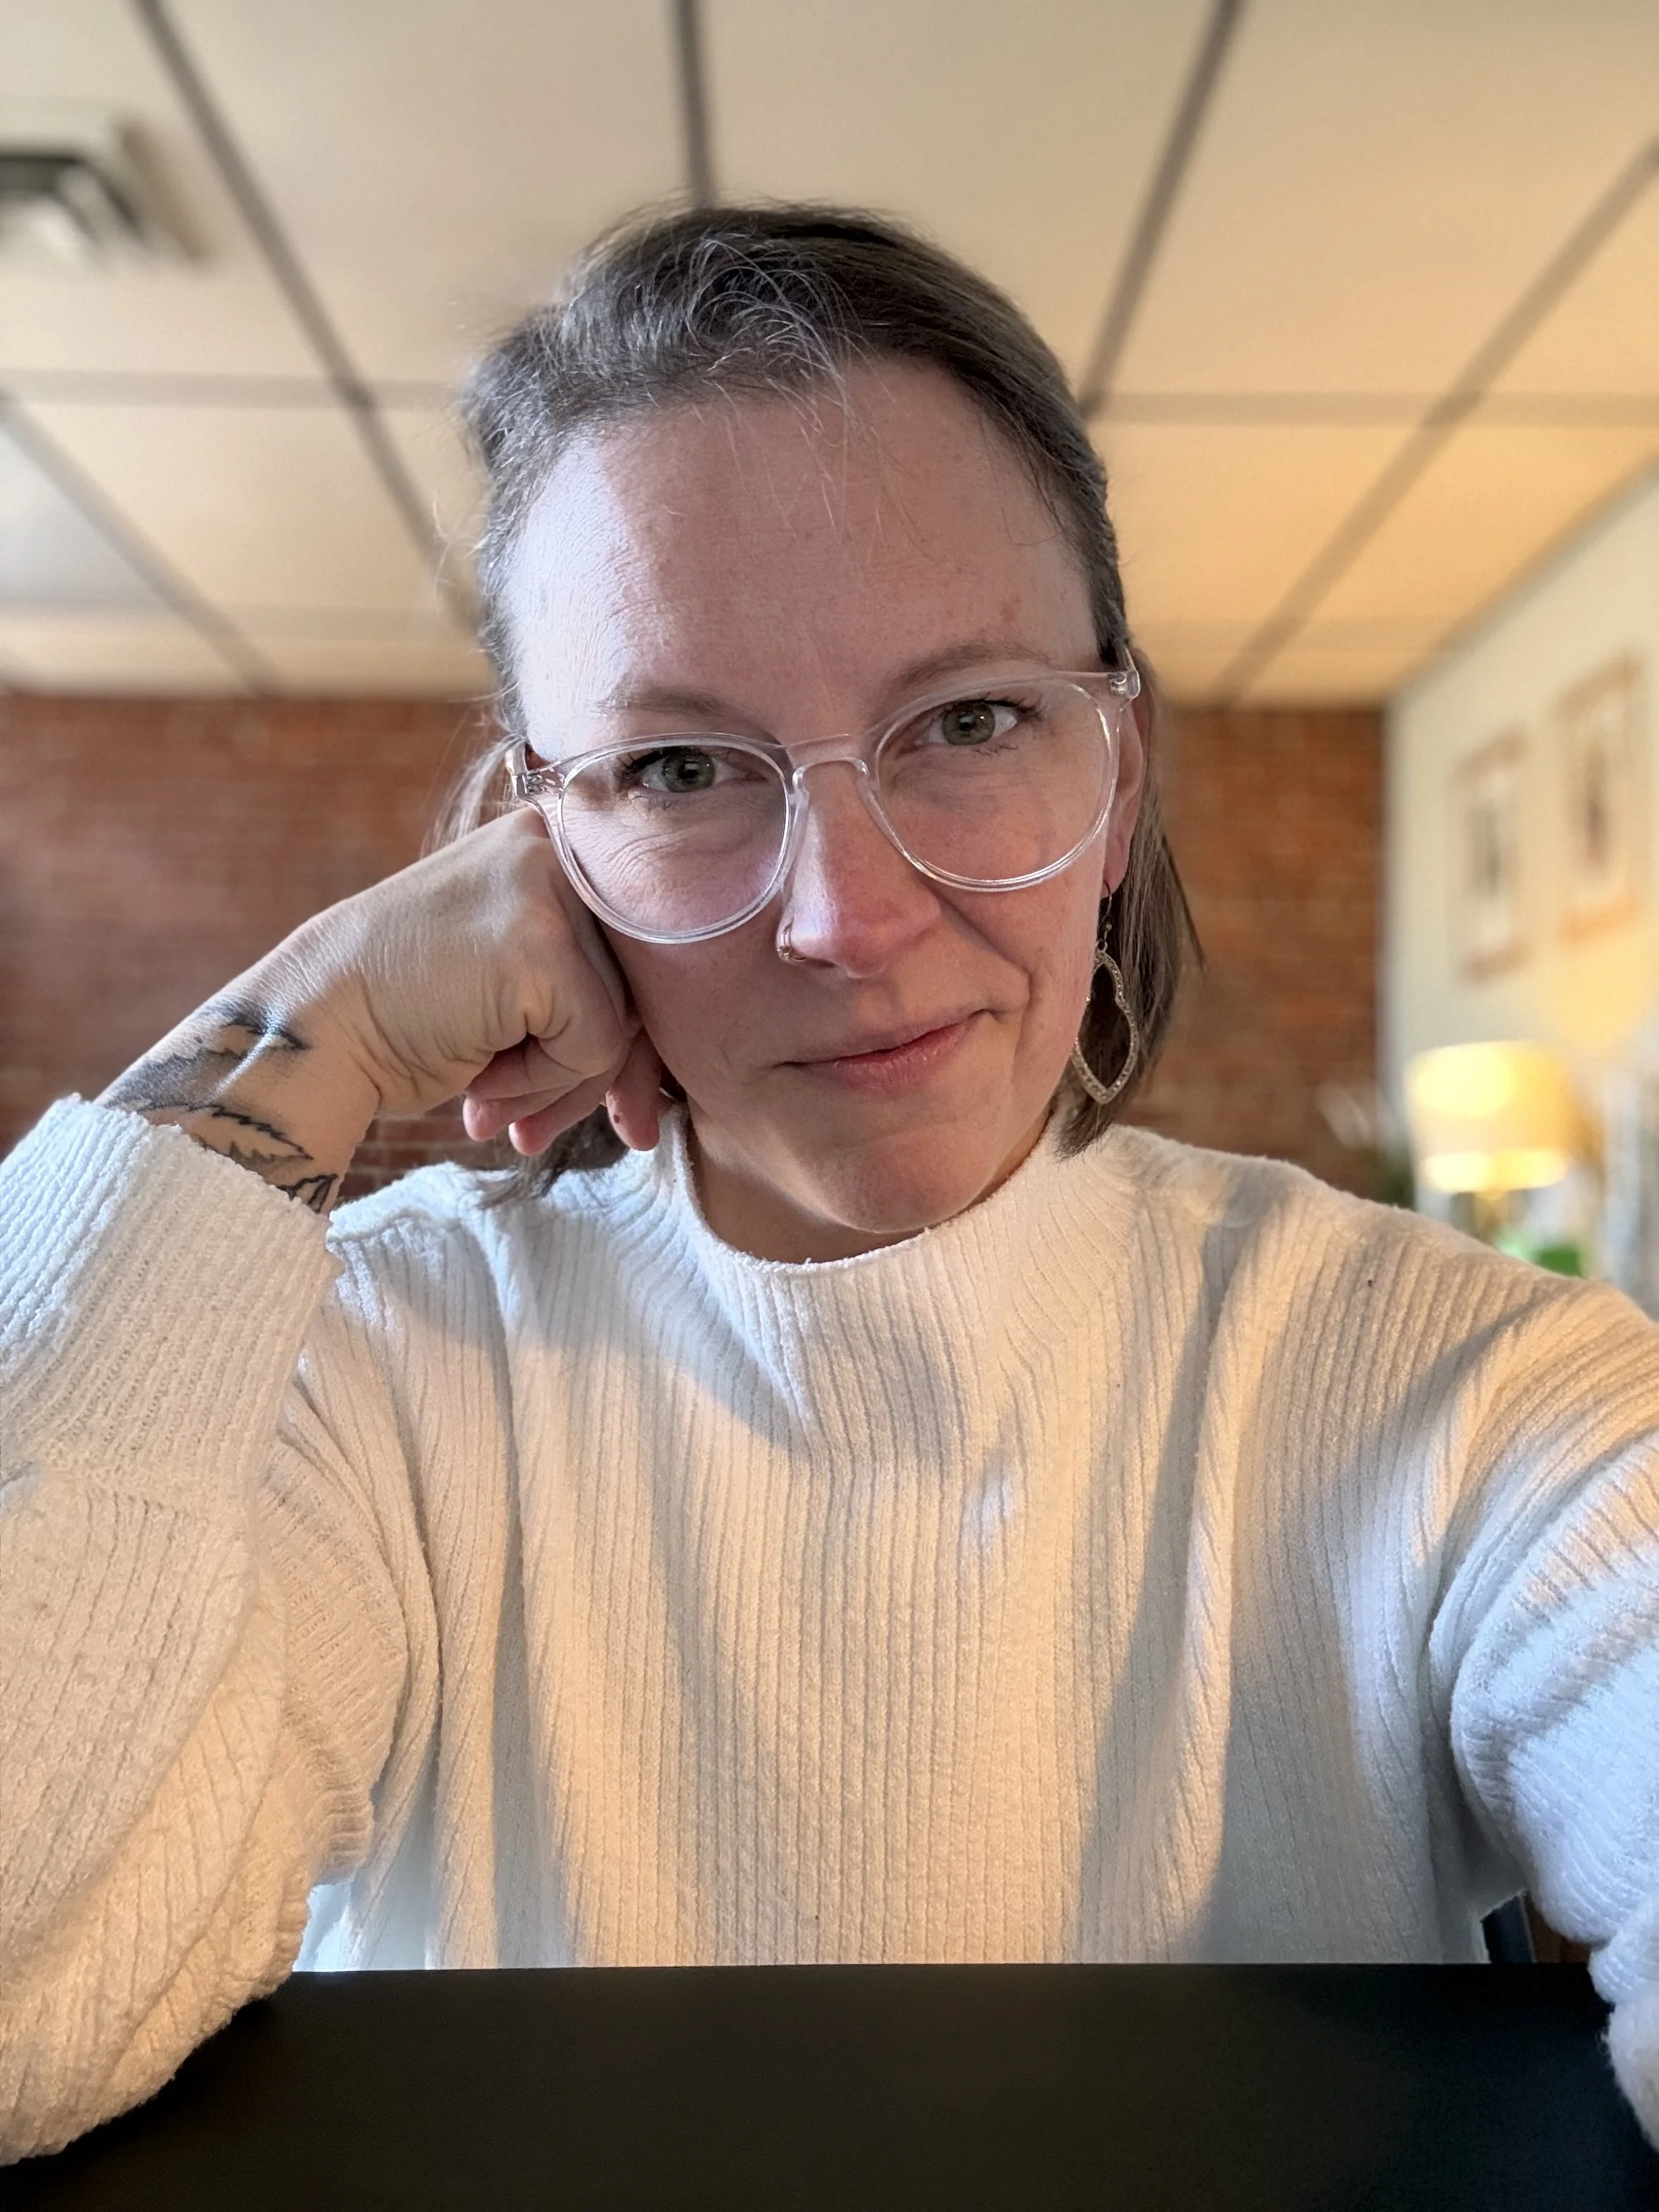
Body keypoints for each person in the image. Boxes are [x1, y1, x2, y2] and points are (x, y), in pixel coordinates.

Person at [1, 204, 1655, 2163]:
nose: (846, 918)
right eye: (680, 769)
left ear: (1112, 776)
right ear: (539, 840)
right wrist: (321, 1013)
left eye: (969, 722)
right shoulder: (363, 1374)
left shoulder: (1464, 1392)